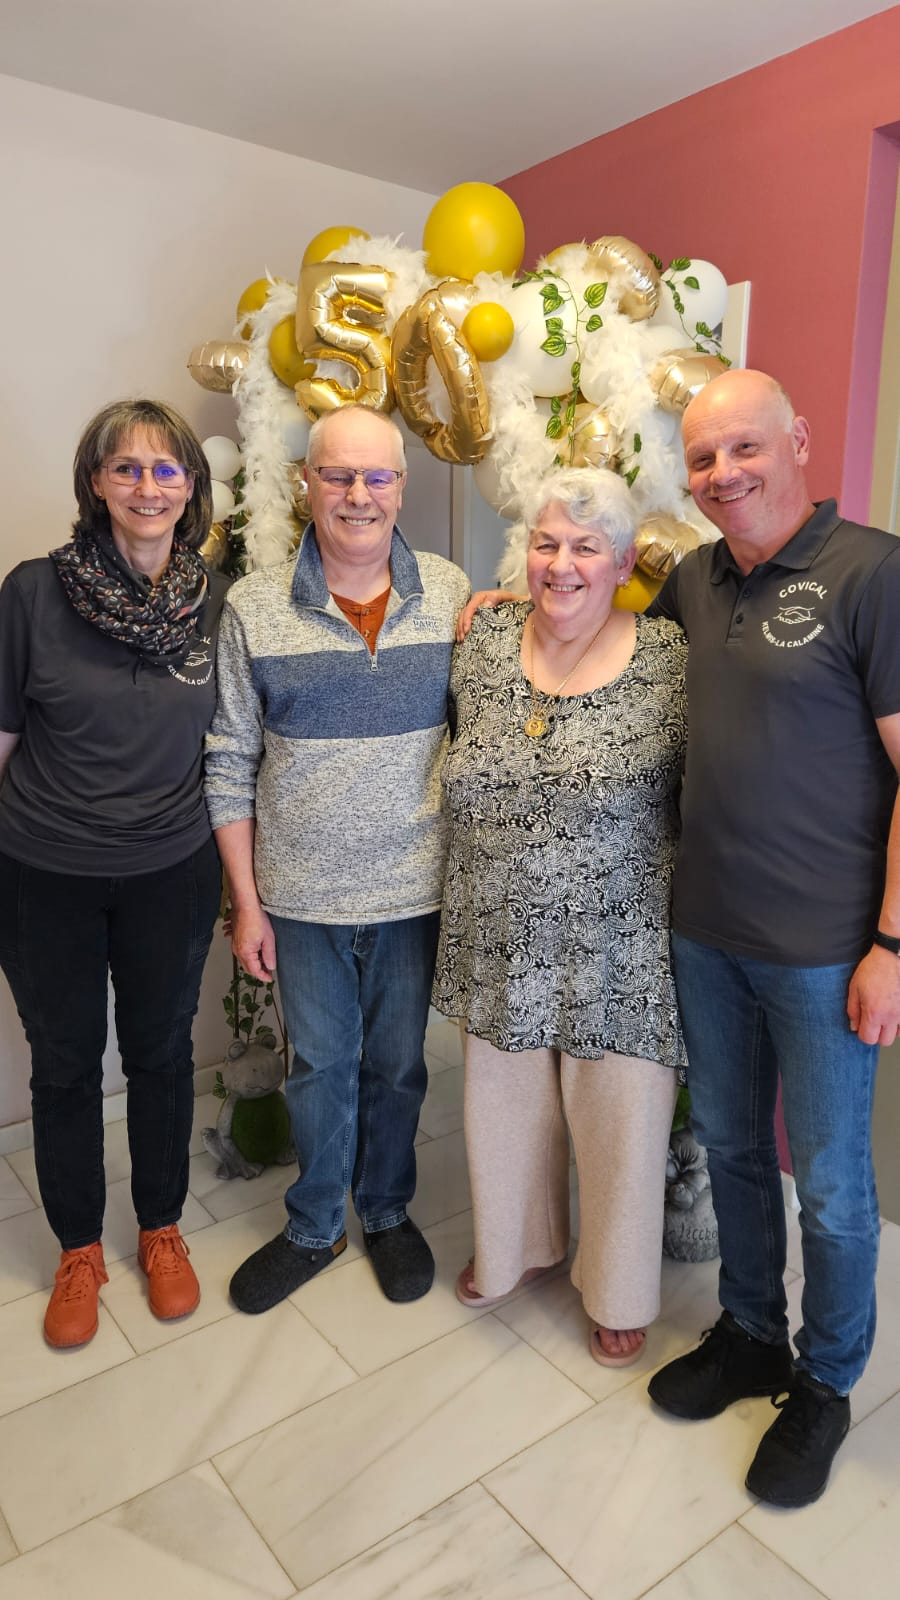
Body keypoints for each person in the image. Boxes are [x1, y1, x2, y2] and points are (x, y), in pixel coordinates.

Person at [646, 367, 900, 1507]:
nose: (722, 475)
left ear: (797, 441)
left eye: (743, 449)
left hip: (823, 951)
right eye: (702, 459)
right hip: (706, 931)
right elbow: (611, 668)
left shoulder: (874, 574)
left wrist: (892, 944)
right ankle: (750, 1328)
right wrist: (515, 610)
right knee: (737, 1150)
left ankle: (827, 1379)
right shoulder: (694, 580)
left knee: (835, 1186)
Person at [205, 403, 470, 1312]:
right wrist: (246, 902)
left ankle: (387, 1213)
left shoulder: (447, 589)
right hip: (301, 896)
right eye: (338, 475)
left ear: (403, 486)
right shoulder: (253, 605)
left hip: (413, 890)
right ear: (305, 484)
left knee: (399, 1066)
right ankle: (315, 1225)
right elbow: (229, 758)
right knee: (319, 1066)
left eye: (379, 476)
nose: (359, 495)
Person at [432, 466, 688, 1365]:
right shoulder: (484, 636)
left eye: (586, 547)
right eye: (546, 543)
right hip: (495, 923)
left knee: (619, 1117)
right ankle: (517, 1251)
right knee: (504, 1106)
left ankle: (618, 1286)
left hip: (618, 937)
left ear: (622, 563)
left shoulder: (669, 658)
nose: (563, 563)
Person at [0, 399, 227, 1348]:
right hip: (43, 869)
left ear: (189, 487)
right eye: (125, 467)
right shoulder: (32, 592)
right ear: (95, 482)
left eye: (165, 469)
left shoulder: (215, 599)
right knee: (63, 1067)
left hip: (170, 870)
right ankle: (80, 1247)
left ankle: (162, 1226)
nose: (146, 485)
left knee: (161, 1053)